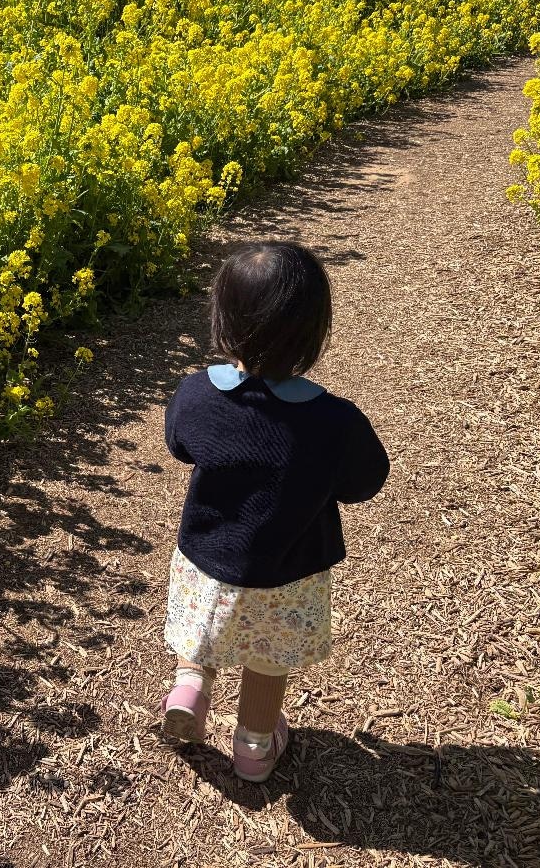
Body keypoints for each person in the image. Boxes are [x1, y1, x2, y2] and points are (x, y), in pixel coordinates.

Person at [159, 242, 389, 782]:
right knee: (266, 660)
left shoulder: (195, 395)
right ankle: (255, 750)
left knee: (205, 629)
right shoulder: (335, 422)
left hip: (208, 561)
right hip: (288, 574)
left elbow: (179, 445)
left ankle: (190, 690)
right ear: (315, 334)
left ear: (222, 324)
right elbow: (365, 483)